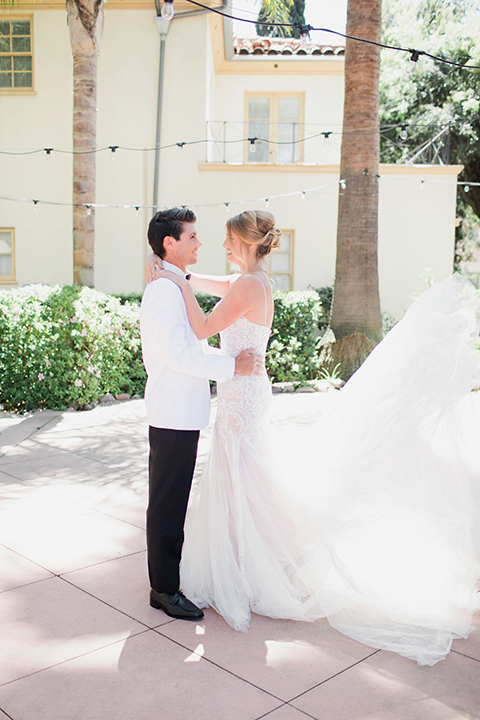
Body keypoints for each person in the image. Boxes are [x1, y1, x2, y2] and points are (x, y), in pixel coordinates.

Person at [147, 210, 480, 666]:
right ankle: (261, 561)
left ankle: (260, 566)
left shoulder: (246, 285)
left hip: (242, 396)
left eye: (227, 240)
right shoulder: (252, 280)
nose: (221, 246)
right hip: (246, 394)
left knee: (245, 482)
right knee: (246, 481)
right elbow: (213, 283)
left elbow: (203, 328)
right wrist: (181, 274)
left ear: (246, 243)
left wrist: (176, 281)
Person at [140, 207, 263, 622]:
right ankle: (164, 590)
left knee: (173, 501)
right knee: (167, 503)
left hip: (184, 411)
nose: (200, 243)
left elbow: (191, 348)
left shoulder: (172, 286)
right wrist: (232, 367)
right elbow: (177, 356)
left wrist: (229, 364)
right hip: (172, 411)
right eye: (192, 237)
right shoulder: (161, 291)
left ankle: (167, 581)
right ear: (169, 243)